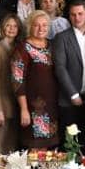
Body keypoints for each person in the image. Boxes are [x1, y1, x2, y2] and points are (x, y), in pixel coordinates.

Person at [52, 1, 85, 155]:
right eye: (73, 15)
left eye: (80, 14)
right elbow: (60, 68)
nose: (77, 18)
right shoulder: (61, 37)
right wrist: (73, 94)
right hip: (69, 100)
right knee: (70, 145)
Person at [12, 10, 60, 148]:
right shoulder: (22, 48)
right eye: (36, 25)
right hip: (33, 106)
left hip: (52, 105)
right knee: (35, 149)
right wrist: (24, 109)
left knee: (51, 149)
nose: (41, 29)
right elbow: (17, 80)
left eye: (44, 25)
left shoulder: (52, 45)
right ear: (30, 26)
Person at [0, 15, 22, 154]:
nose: (11, 29)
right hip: (1, 107)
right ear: (2, 28)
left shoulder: (19, 48)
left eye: (15, 26)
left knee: (13, 151)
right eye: (8, 25)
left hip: (15, 106)